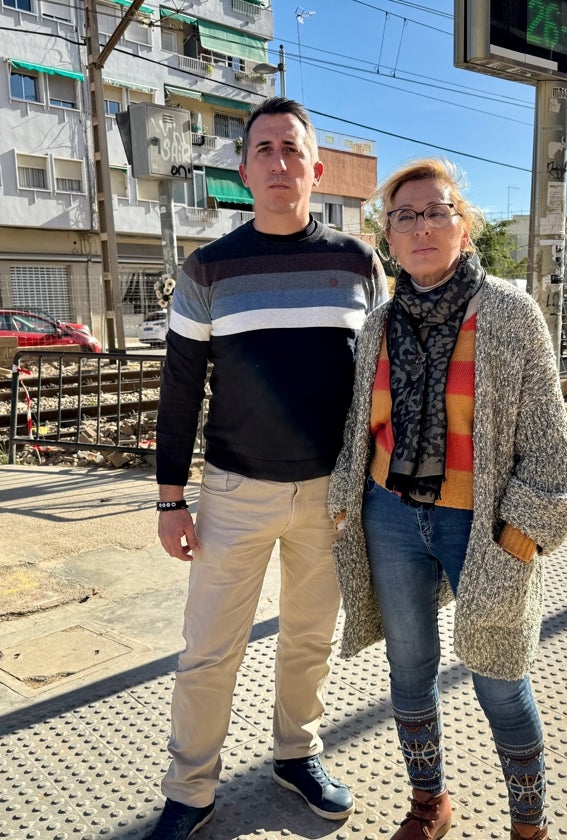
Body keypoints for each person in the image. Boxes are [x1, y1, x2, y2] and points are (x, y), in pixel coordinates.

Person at [150, 97, 388, 839]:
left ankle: (297, 755)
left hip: (330, 495)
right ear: (244, 171)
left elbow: (383, 376)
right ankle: (190, 791)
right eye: (264, 150)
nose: (279, 162)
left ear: (316, 169)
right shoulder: (208, 269)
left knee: (309, 639)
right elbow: (180, 386)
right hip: (233, 492)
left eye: (292, 149)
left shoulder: (356, 263)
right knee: (208, 652)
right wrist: (170, 498)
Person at [327, 159, 567, 840]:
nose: (422, 227)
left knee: (500, 672)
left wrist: (520, 535)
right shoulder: (377, 325)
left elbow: (551, 450)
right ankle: (429, 803)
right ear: (389, 238)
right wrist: (346, 505)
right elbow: (361, 427)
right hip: (390, 518)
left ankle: (530, 824)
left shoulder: (510, 313)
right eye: (404, 216)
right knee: (408, 667)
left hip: (484, 524)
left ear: (463, 229)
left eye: (437, 211)